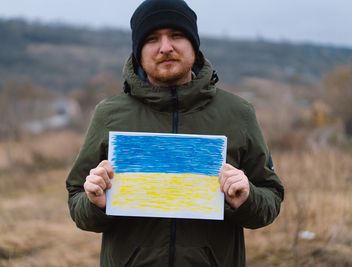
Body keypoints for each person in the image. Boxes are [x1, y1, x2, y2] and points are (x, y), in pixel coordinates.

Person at [66, 0, 284, 266]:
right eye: (152, 38)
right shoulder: (109, 114)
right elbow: (77, 201)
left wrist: (247, 197)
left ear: (194, 44)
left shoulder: (238, 113)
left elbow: (271, 198)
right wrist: (95, 203)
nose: (165, 47)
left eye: (177, 35)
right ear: (138, 51)